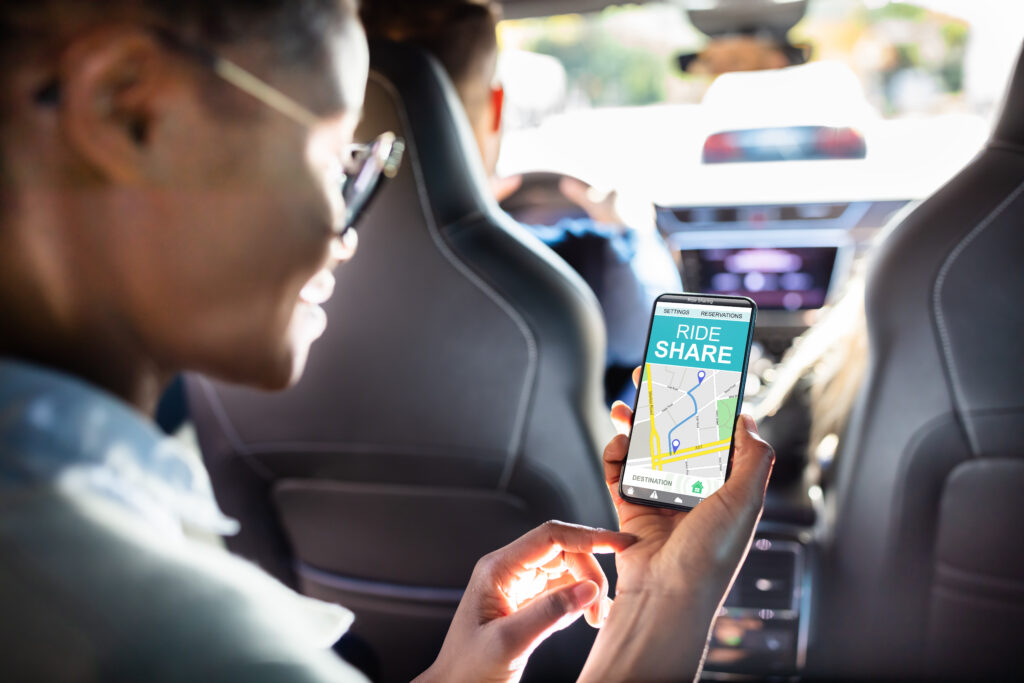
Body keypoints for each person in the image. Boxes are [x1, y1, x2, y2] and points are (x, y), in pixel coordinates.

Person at [0, 1, 774, 681]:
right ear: (127, 112)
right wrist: (670, 595)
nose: (352, 231)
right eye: (341, 162)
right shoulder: (160, 629)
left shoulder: (84, 530)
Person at [360, 0, 683, 403]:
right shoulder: (588, 268)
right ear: (497, 107)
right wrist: (636, 234)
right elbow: (678, 377)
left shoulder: (298, 276)